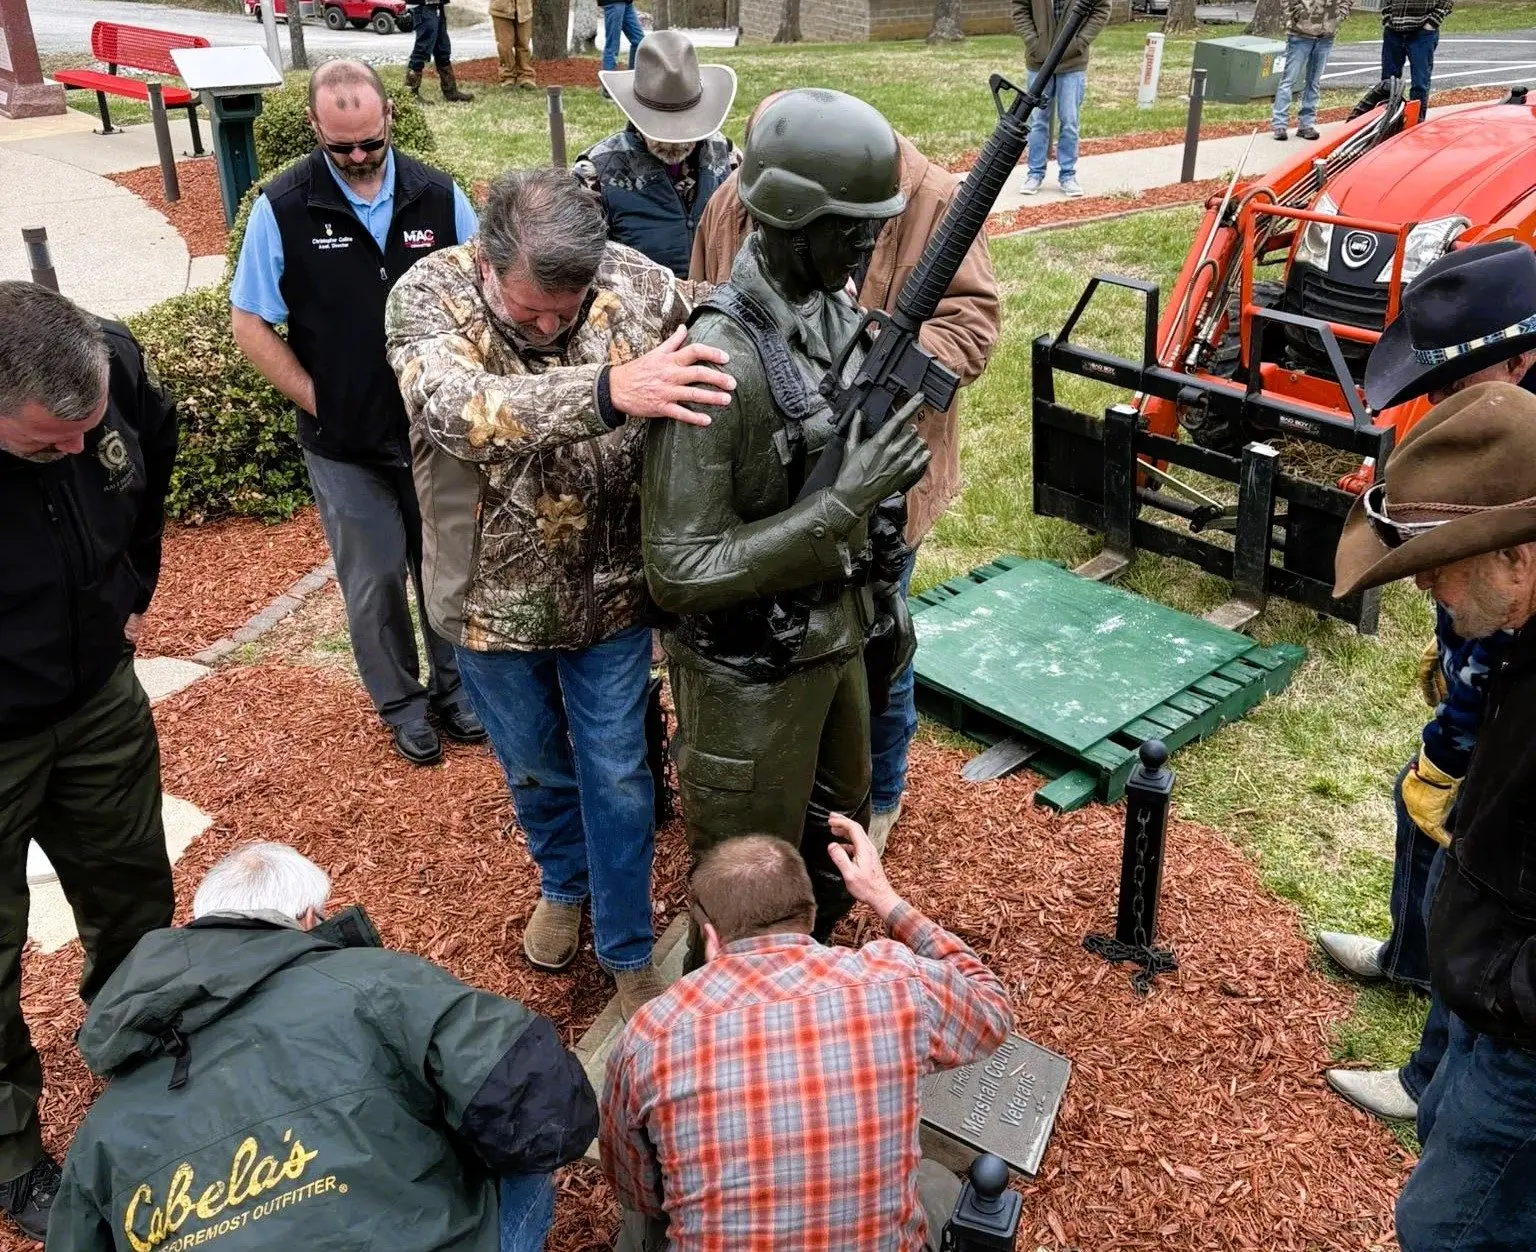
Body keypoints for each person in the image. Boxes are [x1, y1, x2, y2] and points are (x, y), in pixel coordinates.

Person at [385, 167, 733, 1019]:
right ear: (487, 261)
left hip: (610, 597)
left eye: (564, 312)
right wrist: (611, 389)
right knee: (536, 767)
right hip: (488, 603)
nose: (547, 326)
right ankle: (562, 884)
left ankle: (624, 946)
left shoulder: (634, 285)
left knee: (617, 774)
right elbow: (455, 408)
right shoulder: (427, 294)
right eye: (528, 311)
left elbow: (719, 314)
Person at [643, 88, 932, 962]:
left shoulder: (837, 319)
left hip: (837, 642)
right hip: (749, 679)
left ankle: (813, 991)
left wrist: (879, 565)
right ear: (795, 224)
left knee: (836, 854)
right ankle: (717, 1029)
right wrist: (841, 504)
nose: (872, 243)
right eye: (855, 227)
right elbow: (679, 568)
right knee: (742, 897)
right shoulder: (718, 361)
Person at [690, 98, 1000, 855]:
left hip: (881, 469)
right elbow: (703, 294)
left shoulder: (933, 201)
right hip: (776, 485)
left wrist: (879, 365)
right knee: (778, 658)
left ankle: (878, 795)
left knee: (882, 642)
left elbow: (972, 323)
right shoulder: (745, 194)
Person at [47, 842, 598, 1251]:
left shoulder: (104, 1127)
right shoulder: (378, 983)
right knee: (518, 1154)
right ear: (309, 919)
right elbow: (549, 1112)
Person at [1318, 241, 1536, 1123]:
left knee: (1475, 869)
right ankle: (1409, 956)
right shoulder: (1493, 406)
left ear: (1517, 362)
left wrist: (1460, 725)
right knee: (1418, 810)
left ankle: (1428, 1075)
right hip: (1480, 669)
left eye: (1452, 388)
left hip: (1510, 702)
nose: (1440, 408)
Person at [232, 60, 486, 768]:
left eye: (371, 142)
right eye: (340, 146)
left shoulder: (441, 198)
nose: (357, 157)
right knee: (374, 580)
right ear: (314, 128)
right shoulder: (282, 206)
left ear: (389, 121)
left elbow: (483, 297)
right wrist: (320, 400)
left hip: (433, 433)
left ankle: (457, 691)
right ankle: (401, 703)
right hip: (343, 443)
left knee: (446, 568)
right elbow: (250, 322)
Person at [601, 816, 1012, 1250]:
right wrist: (883, 896)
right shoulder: (897, 983)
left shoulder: (650, 1035)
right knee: (936, 1182)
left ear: (711, 938)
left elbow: (635, 1186)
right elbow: (992, 1007)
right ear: (810, 915)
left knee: (643, 1218)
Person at [1331, 381, 1536, 1251]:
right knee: (1442, 1139)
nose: (1425, 587)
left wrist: (1509, 995)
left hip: (1521, 1037)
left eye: (1441, 565)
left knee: (1446, 1230)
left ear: (1516, 558)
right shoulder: (1518, 635)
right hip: (1489, 993)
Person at [0, 281, 178, 1240]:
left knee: (133, 891)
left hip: (97, 696)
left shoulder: (111, 361)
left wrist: (132, 588)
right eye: (46, 445)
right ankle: (10, 1155)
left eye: (86, 433)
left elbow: (152, 455)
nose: (75, 455)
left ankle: (134, 1039)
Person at [574, 30, 738, 279]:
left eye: (685, 126)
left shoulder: (727, 157)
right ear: (635, 114)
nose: (673, 141)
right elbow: (576, 265)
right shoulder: (595, 173)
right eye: (660, 127)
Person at [1010, 0, 1112, 197]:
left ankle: (1068, 175)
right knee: (1038, 120)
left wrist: (1079, 42)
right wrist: (1033, 42)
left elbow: (1101, 8)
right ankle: (1035, 173)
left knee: (1069, 121)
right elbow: (1020, 8)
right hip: (1039, 62)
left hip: (1072, 63)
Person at [1272, 0, 1353, 141]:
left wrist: (1342, 12)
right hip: (1300, 34)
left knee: (1314, 82)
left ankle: (1306, 124)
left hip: (1326, 36)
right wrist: (1297, 12)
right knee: (1289, 80)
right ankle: (1280, 125)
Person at [1380, 0, 1452, 120]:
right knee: (1388, 81)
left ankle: (1416, 122)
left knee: (1420, 83)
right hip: (1393, 31)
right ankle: (1386, 121)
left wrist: (1432, 22)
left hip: (1422, 32)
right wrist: (1388, 18)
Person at [404, 0, 476, 102]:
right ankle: (411, 95)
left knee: (443, 50)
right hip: (423, 6)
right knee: (422, 50)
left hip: (437, 6)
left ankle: (451, 92)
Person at [490, 0, 535, 90]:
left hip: (524, 10)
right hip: (501, 10)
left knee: (523, 44)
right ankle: (508, 77)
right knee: (505, 46)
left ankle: (526, 77)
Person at [599, 0, 645, 76]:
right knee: (612, 46)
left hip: (627, 3)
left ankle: (632, 76)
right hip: (613, 2)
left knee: (639, 41)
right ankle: (608, 80)